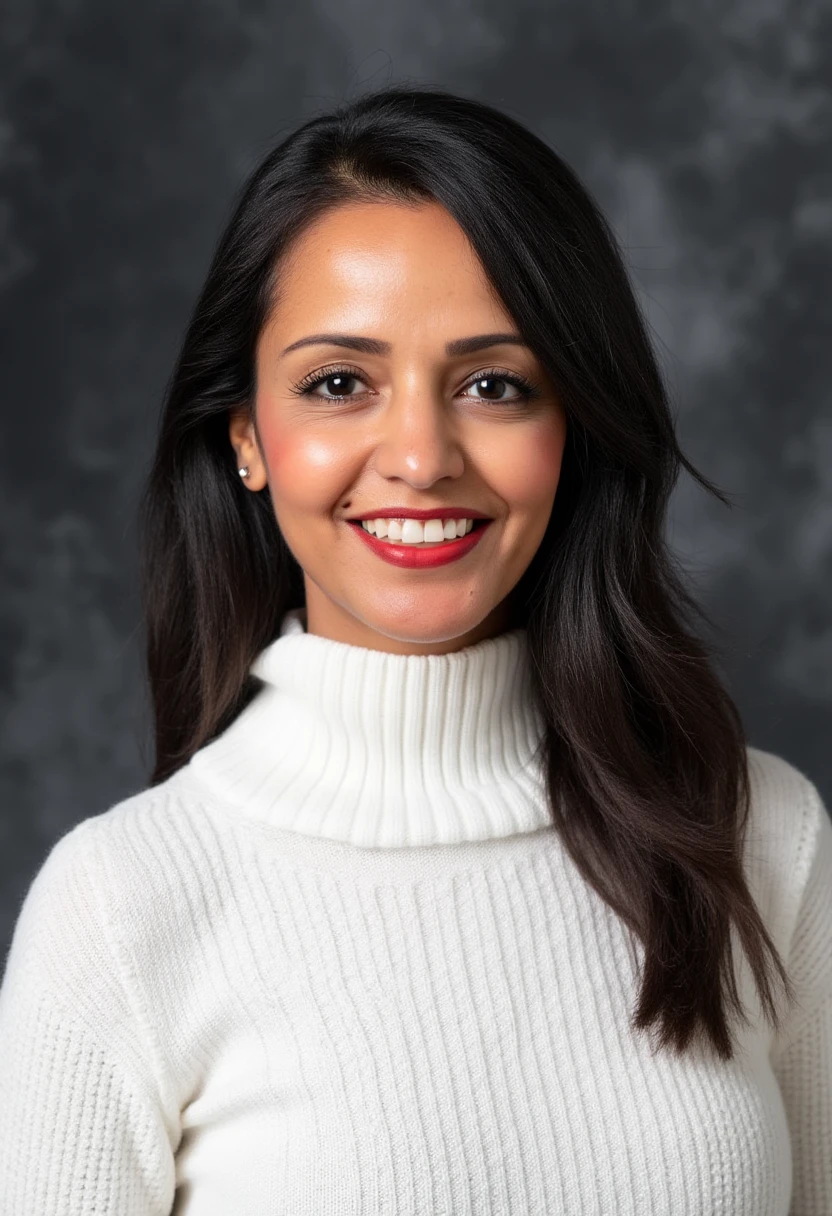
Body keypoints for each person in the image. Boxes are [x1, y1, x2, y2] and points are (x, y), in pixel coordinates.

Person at [0, 84, 829, 1216]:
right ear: (248, 435)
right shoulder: (120, 910)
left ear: (571, 428)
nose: (420, 455)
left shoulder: (764, 842)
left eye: (494, 384)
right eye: (339, 384)